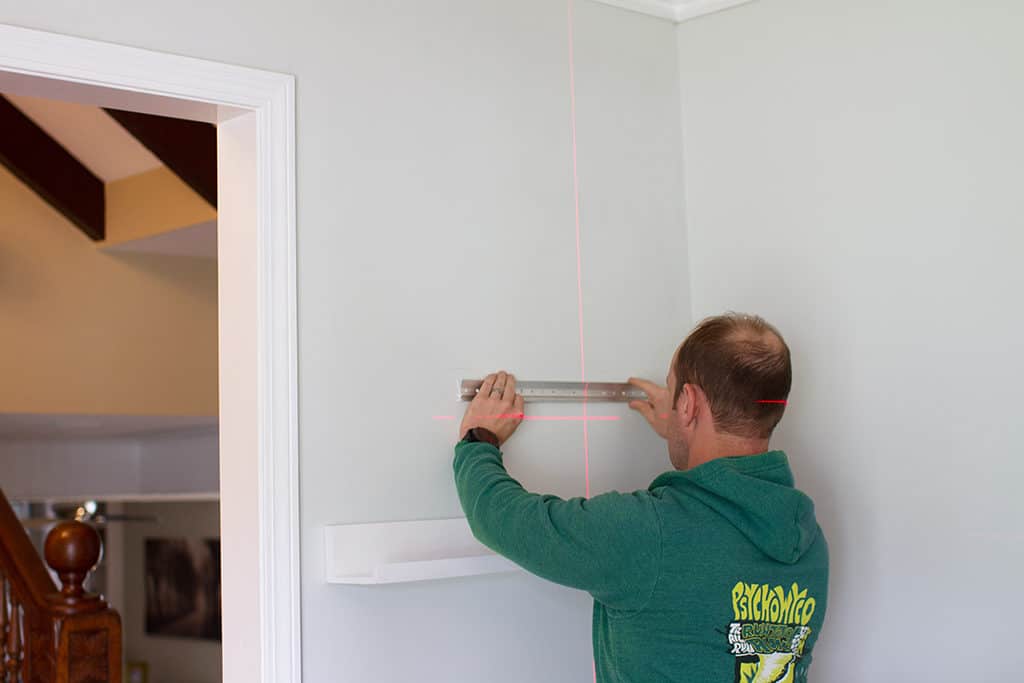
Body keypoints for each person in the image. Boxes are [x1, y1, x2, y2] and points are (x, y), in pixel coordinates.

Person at [453, 312, 829, 683]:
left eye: (674, 390)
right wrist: (686, 430)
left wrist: (478, 439)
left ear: (688, 404)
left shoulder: (652, 534)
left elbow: (499, 519)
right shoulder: (807, 542)